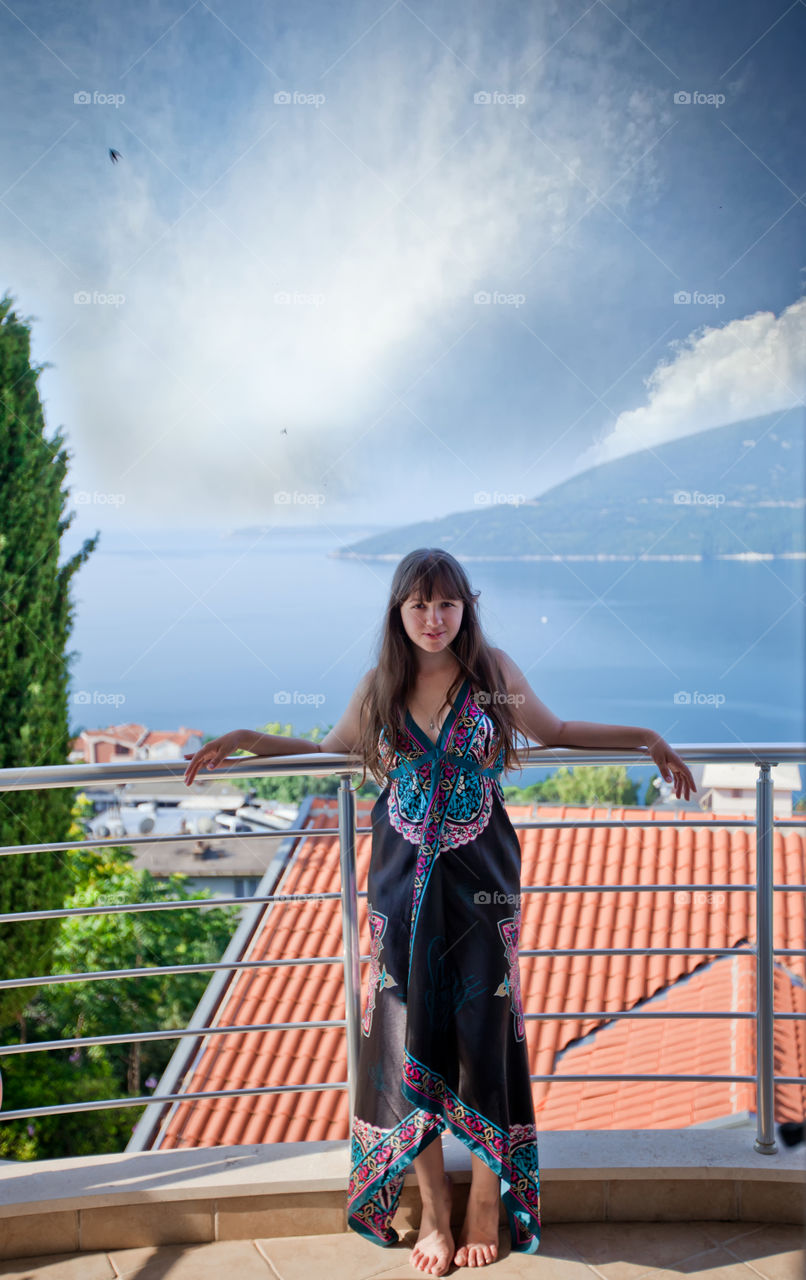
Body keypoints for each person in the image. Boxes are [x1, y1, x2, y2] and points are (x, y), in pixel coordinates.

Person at [183, 547, 696, 1273]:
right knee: (403, 1035)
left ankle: (486, 1200)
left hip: (484, 884)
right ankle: (431, 1208)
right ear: (398, 611)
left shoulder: (494, 677)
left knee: (487, 1029)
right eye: (419, 604)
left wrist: (648, 739)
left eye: (447, 604)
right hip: (398, 889)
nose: (434, 618)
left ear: (466, 608)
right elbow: (328, 751)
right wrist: (247, 741)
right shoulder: (380, 685)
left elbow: (557, 732)